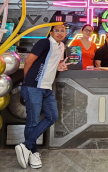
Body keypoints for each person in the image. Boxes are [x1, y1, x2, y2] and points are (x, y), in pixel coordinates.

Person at [15, 24, 71, 169]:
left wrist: (60, 67)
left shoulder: (61, 46)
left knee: (52, 116)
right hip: (33, 87)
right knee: (32, 121)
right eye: (56, 30)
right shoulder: (44, 42)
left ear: (65, 33)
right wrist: (27, 82)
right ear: (51, 32)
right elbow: (28, 61)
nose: (59, 33)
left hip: (47, 88)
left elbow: (52, 65)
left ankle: (25, 146)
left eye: (62, 31)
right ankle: (33, 153)